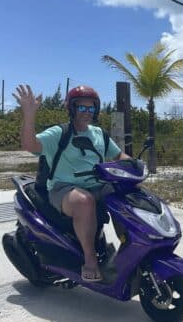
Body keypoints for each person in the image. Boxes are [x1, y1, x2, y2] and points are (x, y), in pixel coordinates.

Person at [13, 84, 129, 282]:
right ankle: (90, 259)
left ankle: (128, 248)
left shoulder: (99, 134)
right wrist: (29, 113)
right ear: (72, 108)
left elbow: (119, 155)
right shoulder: (59, 133)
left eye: (91, 108)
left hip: (96, 185)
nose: (86, 112)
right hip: (63, 189)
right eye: (81, 108)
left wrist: (133, 165)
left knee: (126, 195)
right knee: (84, 201)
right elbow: (29, 144)